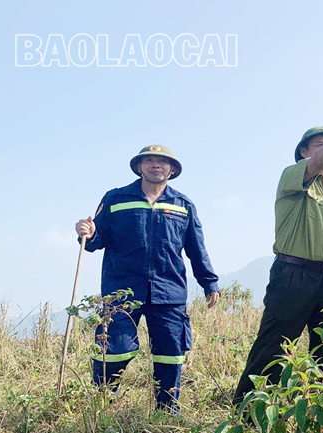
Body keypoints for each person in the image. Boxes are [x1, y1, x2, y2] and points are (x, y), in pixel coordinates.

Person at [234, 107, 323, 405]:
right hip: (294, 274)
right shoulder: (294, 176)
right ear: (304, 151)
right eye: (321, 144)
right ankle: (247, 415)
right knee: (274, 346)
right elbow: (319, 161)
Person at [75, 145, 220, 412]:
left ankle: (168, 413)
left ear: (172, 170)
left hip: (169, 291)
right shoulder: (115, 198)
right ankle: (103, 408)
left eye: (163, 162)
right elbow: (95, 241)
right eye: (149, 161)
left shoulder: (183, 205)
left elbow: (196, 248)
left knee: (170, 353)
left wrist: (209, 282)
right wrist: (87, 232)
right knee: (113, 348)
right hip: (121, 290)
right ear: (139, 167)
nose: (156, 165)